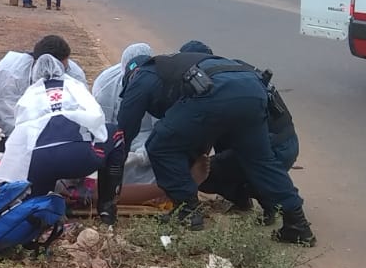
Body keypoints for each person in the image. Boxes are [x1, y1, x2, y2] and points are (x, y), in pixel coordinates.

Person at [115, 46, 316, 244]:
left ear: (130, 76)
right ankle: (297, 224)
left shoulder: (140, 78)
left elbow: (123, 133)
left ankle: (188, 210)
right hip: (253, 89)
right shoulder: (172, 66)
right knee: (259, 160)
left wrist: (113, 175)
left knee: (159, 145)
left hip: (216, 91)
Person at [0, 54, 131, 225]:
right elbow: (97, 117)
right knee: (116, 134)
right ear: (62, 70)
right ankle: (106, 207)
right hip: (78, 158)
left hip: (41, 164)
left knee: (34, 207)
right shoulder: (75, 87)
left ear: (35, 75)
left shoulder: (28, 96)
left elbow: (19, 137)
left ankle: (40, 218)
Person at [178, 40, 300, 225]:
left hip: (272, 150)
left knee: (200, 171)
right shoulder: (236, 70)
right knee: (229, 148)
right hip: (288, 143)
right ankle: (248, 195)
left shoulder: (212, 84)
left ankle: (269, 202)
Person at [0, 35, 88, 137]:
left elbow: (83, 109)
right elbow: (11, 119)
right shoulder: (12, 77)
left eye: (62, 68)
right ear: (36, 61)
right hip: (3, 122)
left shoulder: (74, 75)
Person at [92, 42, 157, 185]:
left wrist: (141, 156)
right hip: (115, 134)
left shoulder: (159, 83)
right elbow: (100, 126)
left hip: (145, 138)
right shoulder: (106, 85)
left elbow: (162, 128)